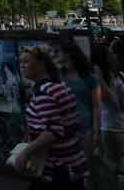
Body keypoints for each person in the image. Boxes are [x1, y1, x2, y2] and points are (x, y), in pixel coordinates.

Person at [16, 46, 87, 189]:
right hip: (72, 162)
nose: (22, 65)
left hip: (56, 167)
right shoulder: (58, 86)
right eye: (21, 62)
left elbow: (54, 131)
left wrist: (25, 152)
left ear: (42, 64)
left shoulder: (44, 93)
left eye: (26, 61)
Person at [54, 40, 101, 166]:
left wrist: (96, 131)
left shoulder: (90, 78)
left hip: (86, 128)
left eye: (59, 52)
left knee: (86, 166)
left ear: (71, 56)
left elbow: (97, 106)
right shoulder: (58, 76)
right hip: (65, 129)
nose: (56, 55)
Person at [91, 44, 124, 190]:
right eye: (110, 53)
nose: (114, 55)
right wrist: (101, 80)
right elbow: (114, 102)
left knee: (115, 165)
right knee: (112, 165)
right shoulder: (98, 79)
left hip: (118, 125)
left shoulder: (118, 75)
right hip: (110, 128)